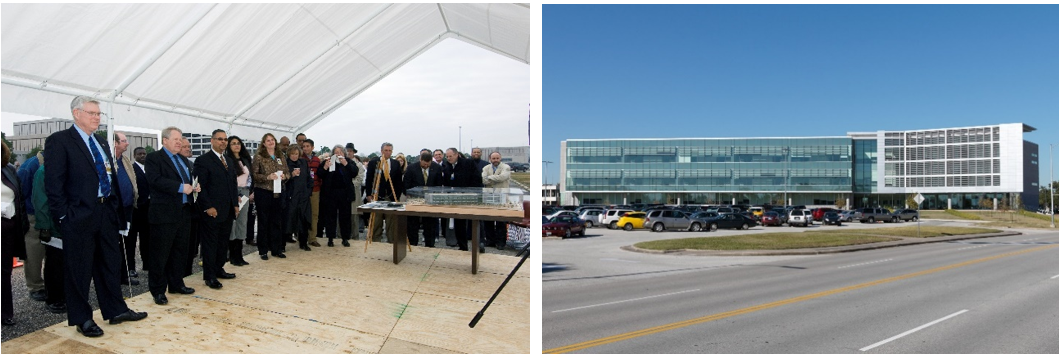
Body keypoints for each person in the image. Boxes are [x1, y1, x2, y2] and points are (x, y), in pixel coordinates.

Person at [43, 96, 147, 336]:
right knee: (79, 269)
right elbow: (54, 184)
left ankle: (115, 310)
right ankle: (82, 319)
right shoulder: (60, 141)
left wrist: (114, 209)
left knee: (110, 264)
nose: (97, 118)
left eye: (99, 114)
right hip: (78, 216)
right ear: (76, 113)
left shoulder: (100, 142)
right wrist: (64, 217)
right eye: (91, 113)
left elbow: (109, 175)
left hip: (105, 213)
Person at [145, 127, 200, 306]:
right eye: (175, 139)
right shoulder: (154, 158)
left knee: (180, 251)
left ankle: (176, 284)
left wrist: (193, 187)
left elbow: (188, 182)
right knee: (160, 254)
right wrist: (180, 187)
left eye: (180, 139)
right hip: (164, 214)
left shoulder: (183, 159)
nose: (179, 142)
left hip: (184, 212)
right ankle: (158, 290)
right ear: (165, 141)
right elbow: (154, 180)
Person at [194, 129, 239, 290]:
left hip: (227, 210)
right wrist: (207, 207)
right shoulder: (203, 160)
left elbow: (233, 184)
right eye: (220, 139)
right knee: (210, 244)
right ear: (212, 141)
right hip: (212, 211)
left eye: (225, 139)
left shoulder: (228, 160)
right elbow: (201, 187)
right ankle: (209, 275)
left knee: (222, 242)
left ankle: (219, 268)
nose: (223, 142)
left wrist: (235, 205)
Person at [31, 153, 67, 314]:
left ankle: (65, 295)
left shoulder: (66, 170)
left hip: (68, 225)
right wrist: (44, 226)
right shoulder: (44, 171)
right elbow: (40, 200)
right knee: (54, 265)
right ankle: (53, 298)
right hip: (53, 227)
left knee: (66, 264)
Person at [2, 141, 29, 326]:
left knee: (4, 272)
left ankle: (5, 313)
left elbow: (19, 197)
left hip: (8, 229)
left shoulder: (9, 169)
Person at [251, 133, 290, 260]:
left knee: (276, 222)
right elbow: (255, 175)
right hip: (263, 192)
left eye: (272, 140)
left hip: (278, 192)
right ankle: (263, 250)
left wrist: (285, 176)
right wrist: (267, 177)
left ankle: (276, 249)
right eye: (268, 140)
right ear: (263, 143)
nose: (270, 142)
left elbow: (288, 172)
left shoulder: (281, 156)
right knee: (263, 222)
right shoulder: (259, 157)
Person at [15, 145, 45, 302]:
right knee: (34, 253)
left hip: (48, 215)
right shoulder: (30, 166)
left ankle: (45, 284)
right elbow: (20, 192)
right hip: (33, 215)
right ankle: (35, 286)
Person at [442, 147, 484, 252]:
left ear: (457, 155)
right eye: (447, 156)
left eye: (450, 156)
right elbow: (446, 182)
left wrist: (473, 194)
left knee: (475, 222)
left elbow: (477, 179)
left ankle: (479, 244)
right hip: (455, 199)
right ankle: (462, 246)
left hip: (470, 197)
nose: (448, 158)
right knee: (459, 223)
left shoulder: (468, 163)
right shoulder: (447, 166)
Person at [113, 132, 140, 286]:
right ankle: (115, 276)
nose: (127, 143)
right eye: (124, 141)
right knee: (115, 244)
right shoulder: (108, 161)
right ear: (115, 143)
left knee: (127, 243)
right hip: (114, 210)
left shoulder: (125, 160)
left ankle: (125, 274)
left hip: (128, 208)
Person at [319, 145, 357, 247]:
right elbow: (320, 174)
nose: (338, 154)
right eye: (336, 152)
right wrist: (325, 167)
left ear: (344, 153)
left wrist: (346, 164)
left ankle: (345, 238)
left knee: (345, 217)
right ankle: (330, 238)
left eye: (340, 152)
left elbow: (354, 173)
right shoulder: (328, 161)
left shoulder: (349, 161)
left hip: (345, 194)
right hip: (330, 194)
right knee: (330, 217)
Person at [365, 142, 404, 243]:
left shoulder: (395, 163)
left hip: (391, 197)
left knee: (391, 222)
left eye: (390, 151)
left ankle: (391, 242)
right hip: (377, 196)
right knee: (376, 221)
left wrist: (397, 196)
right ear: (381, 151)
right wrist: (369, 195)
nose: (387, 152)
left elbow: (399, 182)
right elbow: (369, 179)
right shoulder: (374, 162)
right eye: (386, 150)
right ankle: (375, 241)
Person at [403, 152, 443, 247]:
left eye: (428, 164)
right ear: (420, 160)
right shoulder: (411, 168)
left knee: (430, 224)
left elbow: (439, 185)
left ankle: (430, 245)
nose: (426, 166)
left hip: (430, 201)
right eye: (424, 164)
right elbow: (406, 185)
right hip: (414, 200)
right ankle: (412, 244)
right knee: (413, 225)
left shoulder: (436, 168)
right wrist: (410, 195)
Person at [225, 136, 252, 266]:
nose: (236, 146)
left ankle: (239, 255)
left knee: (242, 222)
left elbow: (250, 177)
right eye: (233, 144)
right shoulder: (227, 160)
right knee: (233, 224)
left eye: (238, 143)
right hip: (233, 192)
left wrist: (251, 192)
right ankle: (232, 256)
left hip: (245, 192)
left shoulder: (245, 160)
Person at [482, 152, 512, 250]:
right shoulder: (486, 168)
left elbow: (503, 177)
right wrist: (494, 178)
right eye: (493, 158)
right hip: (489, 197)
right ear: (490, 159)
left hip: (502, 197)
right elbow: (484, 180)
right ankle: (490, 240)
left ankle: (501, 242)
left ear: (500, 158)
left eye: (497, 158)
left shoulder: (506, 167)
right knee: (488, 220)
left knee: (501, 221)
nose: (495, 160)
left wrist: (489, 178)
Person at [284, 146, 312, 250]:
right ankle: (283, 244)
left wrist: (308, 191)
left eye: (296, 154)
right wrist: (291, 175)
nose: (294, 156)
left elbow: (309, 178)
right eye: (292, 154)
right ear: (288, 154)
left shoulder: (303, 163)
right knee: (288, 220)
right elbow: (282, 180)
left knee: (304, 220)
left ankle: (304, 243)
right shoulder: (285, 163)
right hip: (291, 197)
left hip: (303, 197)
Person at [128, 147, 151, 275]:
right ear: (134, 155)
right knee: (131, 241)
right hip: (136, 209)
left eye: (144, 154)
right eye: (139, 154)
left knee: (146, 238)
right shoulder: (132, 169)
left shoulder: (148, 169)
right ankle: (131, 267)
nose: (142, 156)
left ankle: (147, 263)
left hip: (147, 209)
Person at [180, 138, 199, 277]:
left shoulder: (191, 164)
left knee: (191, 244)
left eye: (189, 146)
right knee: (181, 245)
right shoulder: (174, 165)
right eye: (184, 146)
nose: (188, 149)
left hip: (192, 209)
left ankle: (187, 272)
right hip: (179, 209)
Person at [303, 139, 323, 247]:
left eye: (308, 146)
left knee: (314, 215)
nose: (305, 148)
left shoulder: (317, 160)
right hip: (303, 191)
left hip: (315, 190)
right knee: (303, 214)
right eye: (304, 146)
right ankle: (302, 237)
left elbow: (320, 175)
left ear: (312, 147)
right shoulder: (300, 158)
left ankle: (312, 238)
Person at [345, 143, 366, 236]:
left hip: (354, 193)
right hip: (342, 194)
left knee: (354, 218)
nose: (348, 153)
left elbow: (359, 179)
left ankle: (355, 237)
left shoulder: (359, 165)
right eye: (347, 151)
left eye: (350, 151)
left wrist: (347, 185)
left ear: (353, 152)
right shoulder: (339, 164)